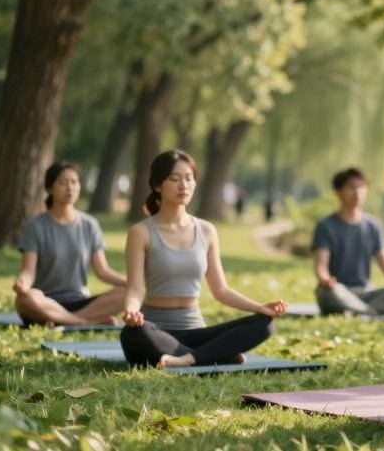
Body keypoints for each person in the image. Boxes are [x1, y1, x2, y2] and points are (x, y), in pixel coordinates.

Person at [120, 150, 286, 368]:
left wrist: (260, 308)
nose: (183, 185)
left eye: (189, 178)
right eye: (174, 179)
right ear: (158, 185)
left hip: (197, 332)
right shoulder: (141, 232)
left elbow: (221, 290)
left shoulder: (207, 231)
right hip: (156, 332)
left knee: (264, 325)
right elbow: (135, 288)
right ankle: (217, 355)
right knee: (133, 334)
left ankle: (187, 359)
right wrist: (132, 310)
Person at [13, 162, 126, 326]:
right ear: (50, 188)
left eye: (74, 182)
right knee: (25, 299)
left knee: (130, 293)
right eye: (62, 182)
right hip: (46, 303)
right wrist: (22, 283)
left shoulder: (90, 224)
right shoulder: (35, 226)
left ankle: (65, 321)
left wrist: (133, 283)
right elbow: (28, 271)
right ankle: (84, 322)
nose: (70, 188)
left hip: (81, 302)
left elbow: (102, 271)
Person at [312, 167, 384, 316]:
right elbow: (321, 267)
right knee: (326, 292)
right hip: (338, 290)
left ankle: (357, 310)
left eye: (361, 187)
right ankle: (371, 311)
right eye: (351, 187)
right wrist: (326, 280)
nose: (357, 192)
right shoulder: (326, 226)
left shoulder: (373, 226)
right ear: (338, 192)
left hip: (366, 293)